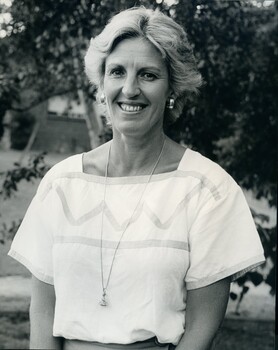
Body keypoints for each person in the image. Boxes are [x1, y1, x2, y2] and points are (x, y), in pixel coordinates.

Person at [8, 7, 265, 350]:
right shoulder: (62, 184)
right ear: (101, 85)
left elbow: (202, 328)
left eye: (147, 75)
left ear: (172, 87)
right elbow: (42, 313)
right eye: (117, 72)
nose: (129, 89)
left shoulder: (208, 189)